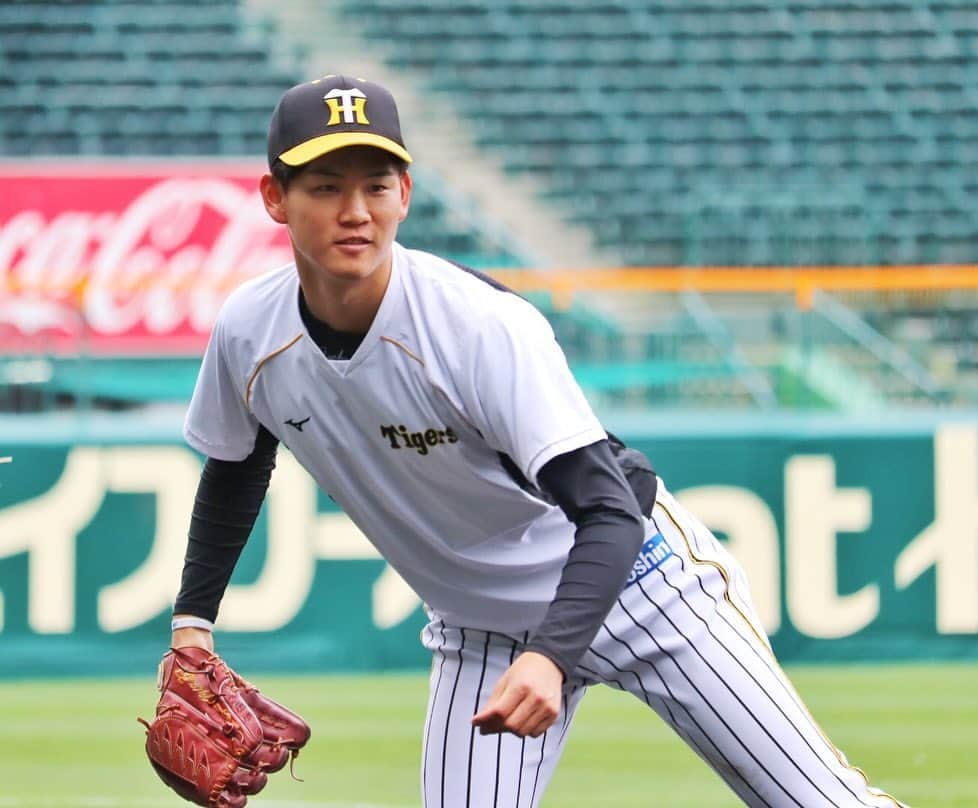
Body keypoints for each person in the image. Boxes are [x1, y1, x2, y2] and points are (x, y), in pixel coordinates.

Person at [170, 74, 906, 808]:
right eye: (326, 188)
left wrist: (551, 657)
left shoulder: (477, 327)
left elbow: (611, 509)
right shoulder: (249, 331)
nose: (356, 211)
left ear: (407, 194)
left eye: (377, 184)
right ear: (275, 199)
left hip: (643, 587)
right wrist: (192, 626)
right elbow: (236, 466)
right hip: (480, 626)